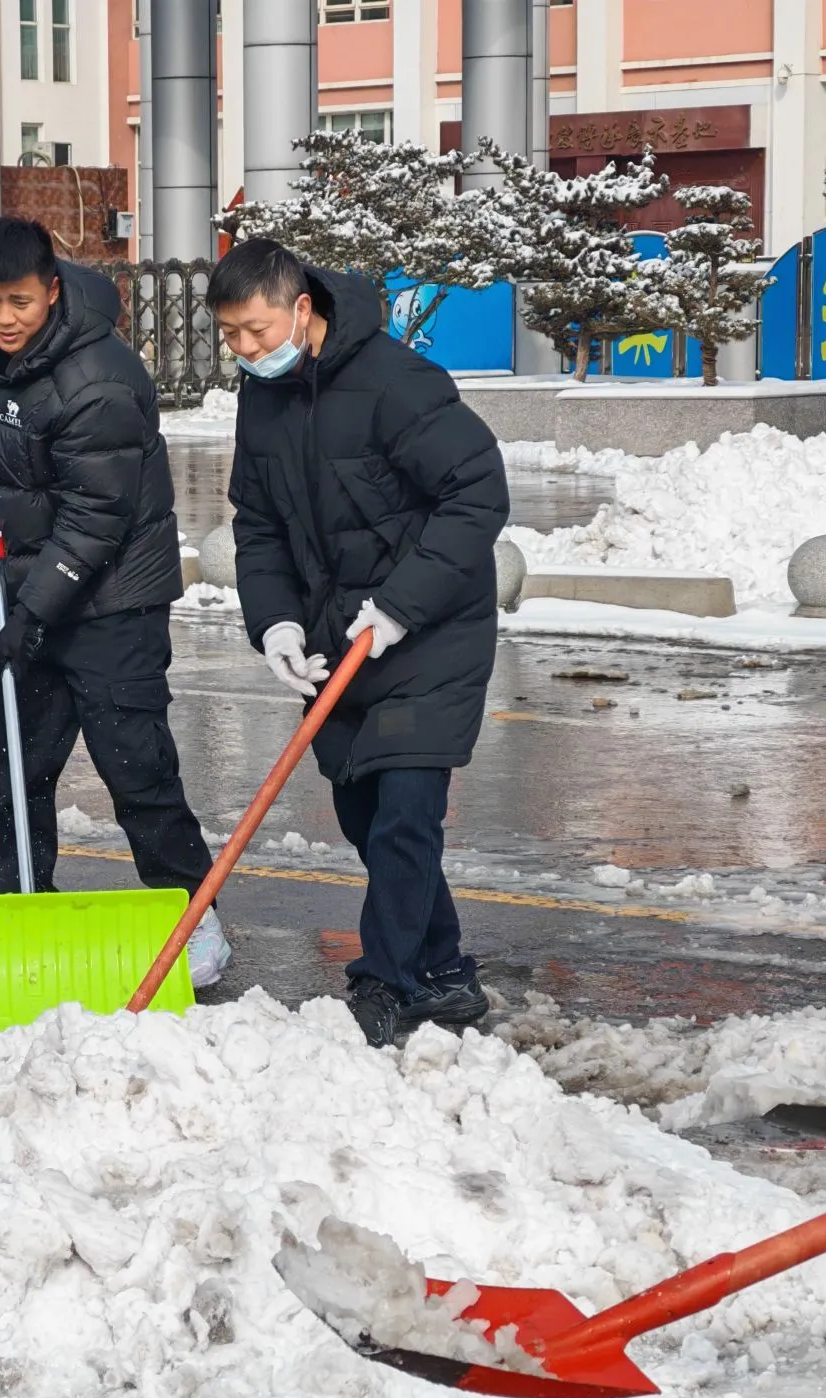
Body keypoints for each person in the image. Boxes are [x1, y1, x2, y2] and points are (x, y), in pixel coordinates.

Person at [211, 237, 509, 1047]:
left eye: (258, 330)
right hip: (338, 639)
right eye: (231, 335)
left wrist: (402, 607)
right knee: (364, 812)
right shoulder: (261, 397)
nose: (247, 349)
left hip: (431, 631)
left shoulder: (395, 383)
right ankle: (444, 970)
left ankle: (387, 983)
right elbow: (259, 523)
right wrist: (274, 621)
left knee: (405, 812)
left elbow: (477, 493)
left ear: (302, 308)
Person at [0, 217, 228, 986]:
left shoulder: (98, 379)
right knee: (10, 762)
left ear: (52, 291)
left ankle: (192, 917)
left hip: (113, 602)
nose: (3, 317)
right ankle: (25, 906)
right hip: (32, 585)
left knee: (135, 767)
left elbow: (96, 519)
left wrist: (30, 616)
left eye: (20, 301)